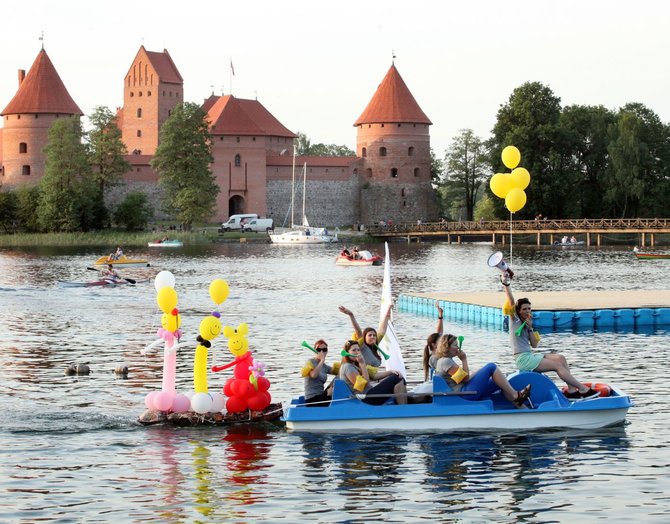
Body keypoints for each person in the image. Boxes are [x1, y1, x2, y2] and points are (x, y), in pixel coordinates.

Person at [501, 276, 599, 400]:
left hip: (530, 355)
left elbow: (535, 345)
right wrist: (506, 284)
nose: (527, 311)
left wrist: (530, 328)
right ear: (518, 311)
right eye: (524, 309)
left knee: (560, 359)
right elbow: (511, 301)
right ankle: (583, 389)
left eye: (529, 308)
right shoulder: (514, 320)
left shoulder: (528, 323)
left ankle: (572, 390)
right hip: (523, 359)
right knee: (557, 366)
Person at [434, 334, 532, 407]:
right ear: (447, 346)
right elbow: (466, 379)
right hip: (464, 395)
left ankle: (522, 408)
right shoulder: (446, 362)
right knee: (491, 366)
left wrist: (479, 372)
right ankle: (515, 395)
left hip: (463, 391)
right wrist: (464, 359)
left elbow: (464, 378)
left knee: (500, 382)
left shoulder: (445, 361)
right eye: (455, 345)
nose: (458, 348)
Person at [338, 340, 407, 405]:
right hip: (365, 398)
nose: (357, 352)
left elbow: (374, 376)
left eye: (358, 350)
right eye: (354, 350)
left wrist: (391, 372)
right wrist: (362, 364)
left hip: (370, 394)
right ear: (347, 352)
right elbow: (363, 385)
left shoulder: (355, 364)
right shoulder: (348, 367)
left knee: (399, 378)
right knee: (395, 379)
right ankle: (403, 409)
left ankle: (405, 405)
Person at [301, 339, 336, 406]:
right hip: (312, 400)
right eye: (319, 350)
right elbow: (314, 375)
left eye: (324, 350)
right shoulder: (310, 362)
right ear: (314, 351)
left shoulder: (324, 366)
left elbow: (340, 371)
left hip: (321, 396)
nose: (322, 352)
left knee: (339, 377)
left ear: (327, 351)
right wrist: (322, 360)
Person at [422, 301, 444, 382]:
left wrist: (440, 316)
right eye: (441, 341)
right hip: (438, 387)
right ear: (434, 345)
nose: (443, 343)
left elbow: (439, 332)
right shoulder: (434, 358)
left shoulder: (438, 355)